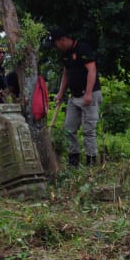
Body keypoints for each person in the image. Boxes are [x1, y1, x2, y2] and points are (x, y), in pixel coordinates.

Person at [53, 33, 101, 167]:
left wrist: (89, 93)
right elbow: (66, 74)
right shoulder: (65, 54)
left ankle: (91, 161)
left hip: (89, 94)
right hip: (74, 97)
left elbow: (92, 70)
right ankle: (73, 161)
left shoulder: (83, 48)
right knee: (69, 128)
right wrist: (60, 93)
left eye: (57, 43)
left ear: (62, 39)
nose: (57, 47)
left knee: (88, 130)